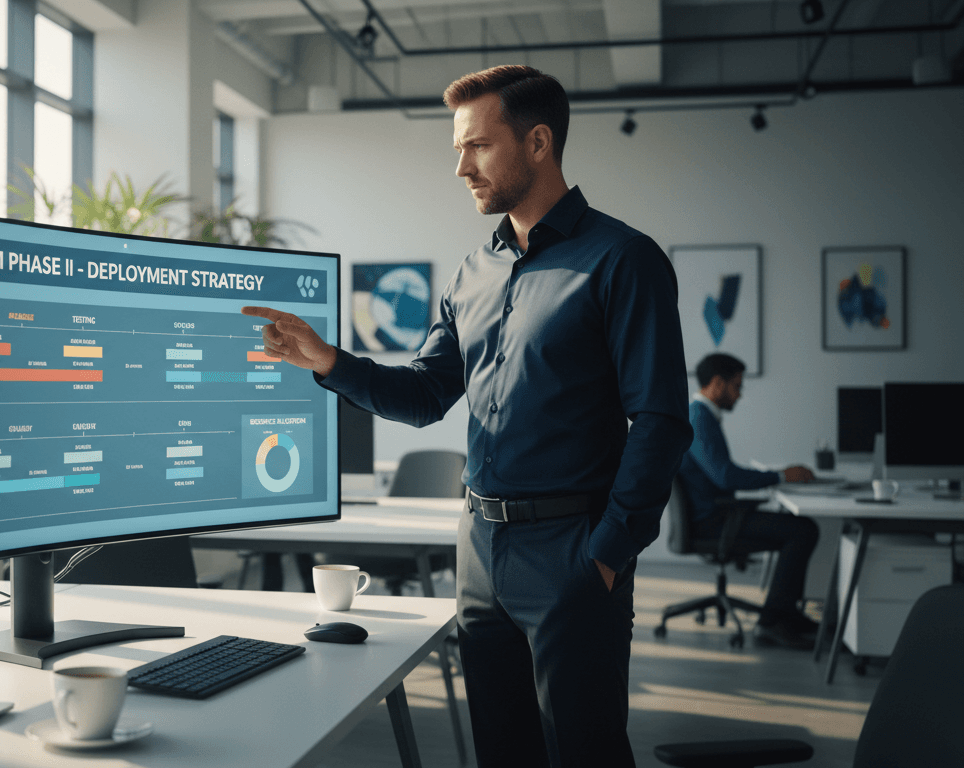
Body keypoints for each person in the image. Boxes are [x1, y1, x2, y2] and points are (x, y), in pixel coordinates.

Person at [243, 65, 692, 768]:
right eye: (459, 149)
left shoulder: (623, 260)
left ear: (538, 142)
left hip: (572, 552)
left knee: (586, 753)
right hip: (479, 547)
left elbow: (661, 421)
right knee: (501, 753)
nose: (461, 167)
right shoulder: (472, 272)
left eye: (478, 146)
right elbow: (425, 395)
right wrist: (330, 361)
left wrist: (607, 554)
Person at [676, 353, 821, 648]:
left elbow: (722, 474)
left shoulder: (701, 416)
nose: (740, 394)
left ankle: (785, 615)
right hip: (713, 523)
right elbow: (725, 477)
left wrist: (773, 475)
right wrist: (780, 476)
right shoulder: (699, 419)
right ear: (718, 384)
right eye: (737, 386)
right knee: (803, 530)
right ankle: (773, 622)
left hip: (715, 515)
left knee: (800, 528)